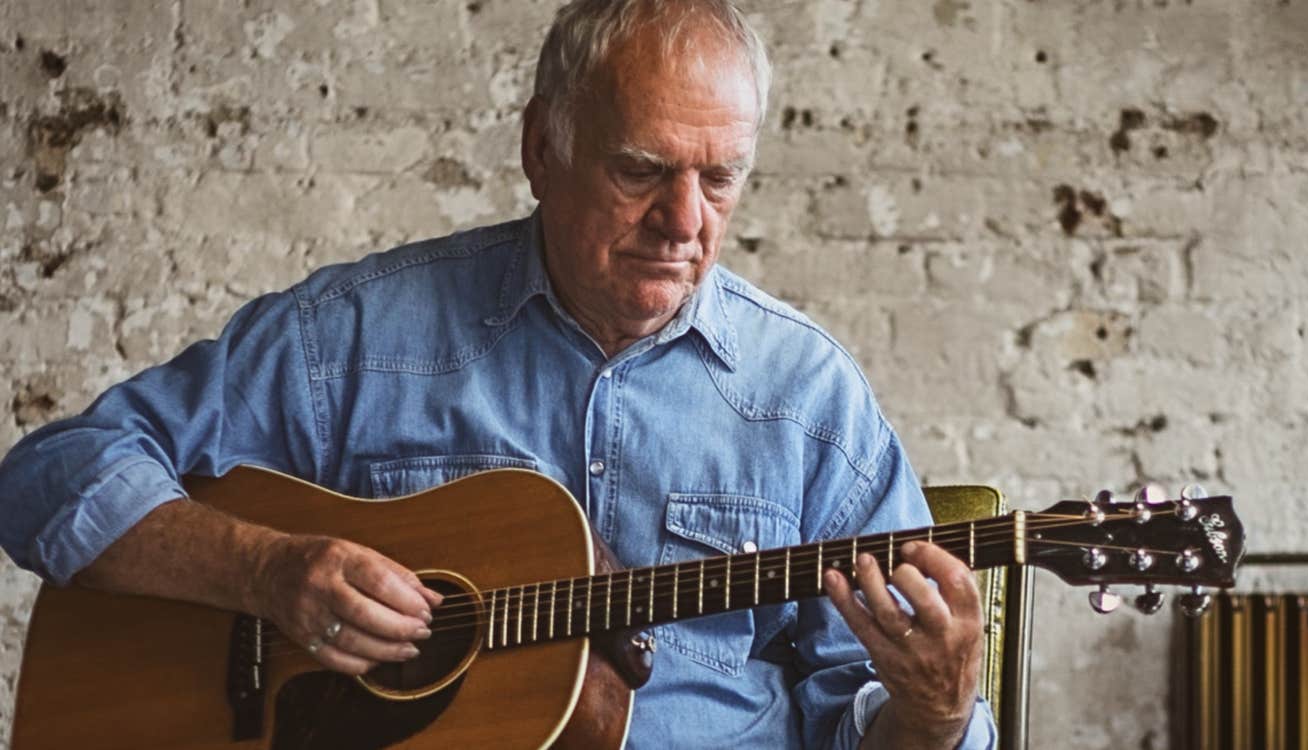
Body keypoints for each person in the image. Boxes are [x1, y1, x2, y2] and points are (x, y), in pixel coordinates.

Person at [0, 0, 996, 747]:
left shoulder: (809, 401)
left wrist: (936, 710)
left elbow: (859, 720)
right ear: (542, 148)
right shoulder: (357, 333)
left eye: (719, 177)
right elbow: (51, 475)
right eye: (641, 170)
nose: (686, 222)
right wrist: (267, 571)